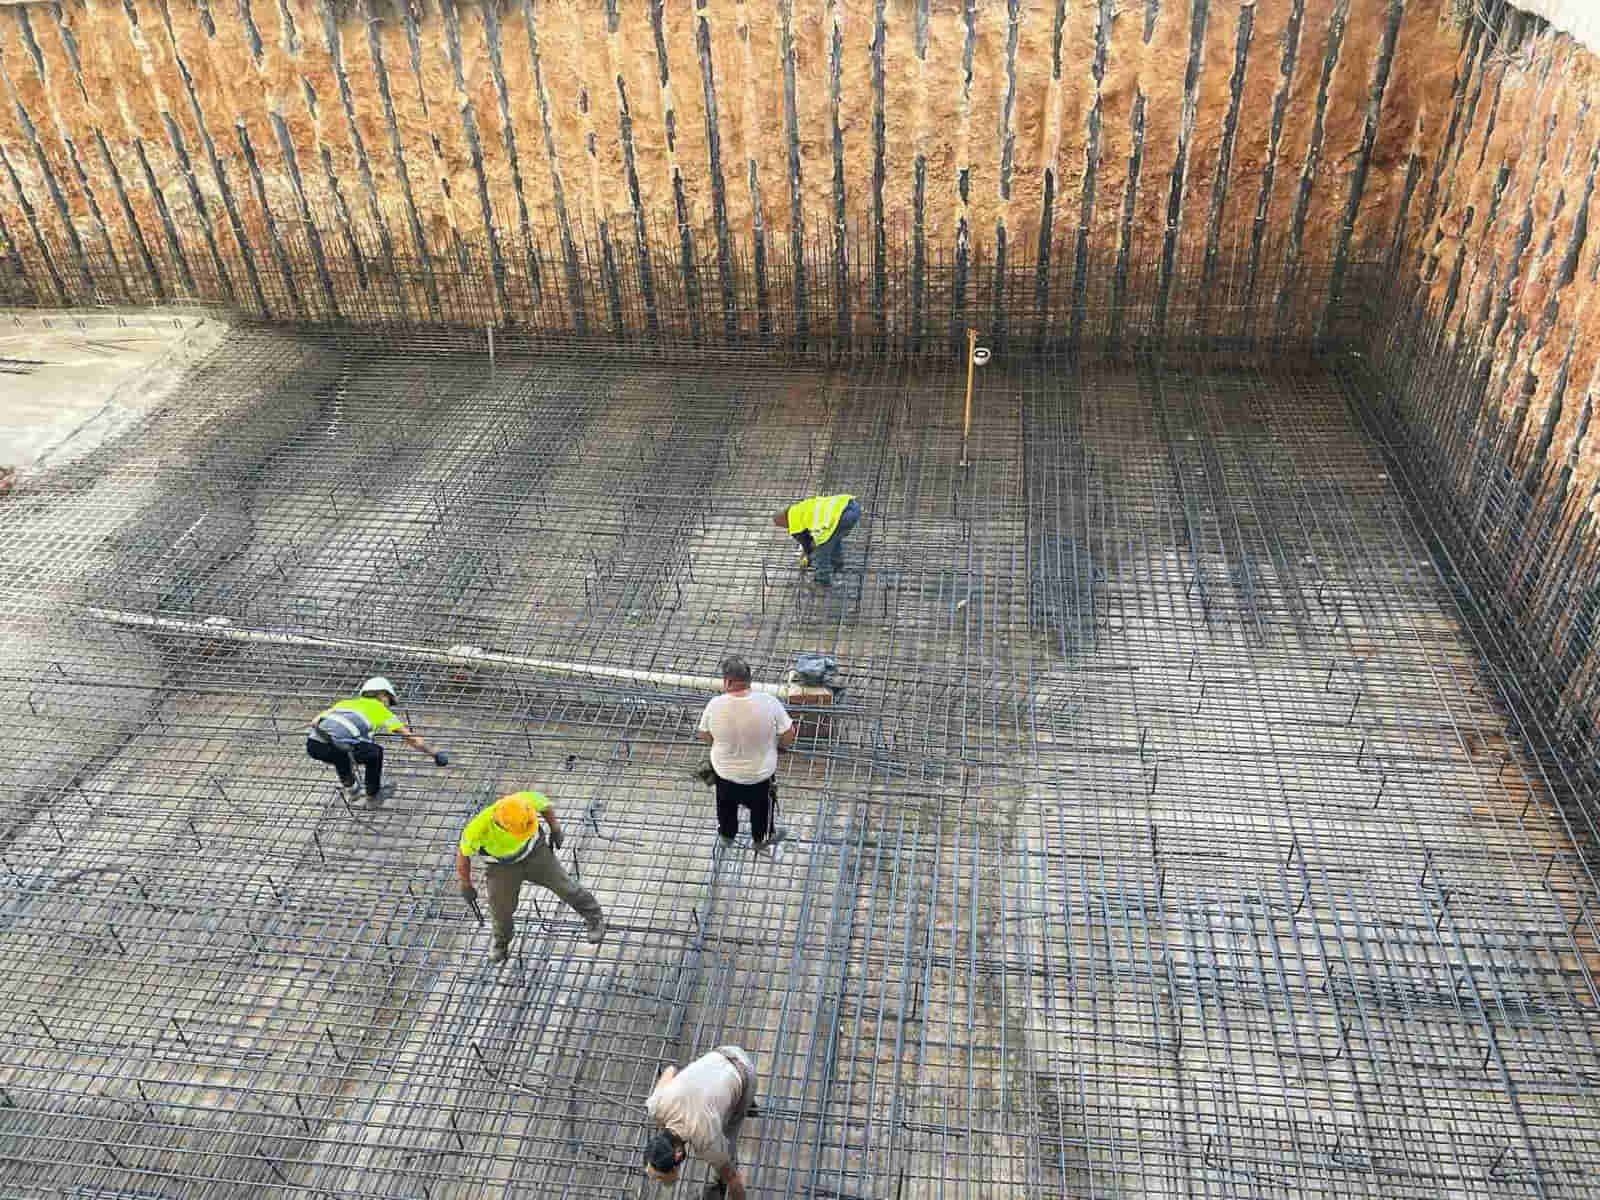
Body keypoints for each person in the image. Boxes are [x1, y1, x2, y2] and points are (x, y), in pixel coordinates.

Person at [456, 790, 606, 962]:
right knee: (500, 910)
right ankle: (501, 942)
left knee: (566, 887)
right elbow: (463, 855)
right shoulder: (478, 827)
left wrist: (555, 829)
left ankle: (594, 918)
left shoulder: (523, 801)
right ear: (502, 825)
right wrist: (465, 884)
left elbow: (545, 806)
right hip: (501, 867)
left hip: (535, 853)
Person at [697, 655, 795, 853]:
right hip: (760, 777)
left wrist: (720, 745)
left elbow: (704, 734)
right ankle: (761, 840)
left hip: (725, 776)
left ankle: (727, 836)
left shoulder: (714, 705)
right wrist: (779, 747)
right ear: (749, 680)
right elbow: (789, 733)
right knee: (761, 811)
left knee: (725, 808)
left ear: (728, 681)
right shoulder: (769, 702)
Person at [306, 676, 447, 807]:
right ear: (382, 695)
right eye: (389, 701)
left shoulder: (344, 703)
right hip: (336, 746)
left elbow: (314, 722)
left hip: (313, 744)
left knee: (340, 749)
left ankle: (352, 788)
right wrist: (434, 754)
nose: (388, 705)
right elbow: (411, 739)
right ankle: (373, 796)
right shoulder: (383, 712)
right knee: (374, 752)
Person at [643, 1045, 758, 1199]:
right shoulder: (655, 1105)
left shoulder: (707, 1142)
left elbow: (734, 1179)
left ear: (678, 1155)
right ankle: (736, 1097)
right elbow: (670, 1070)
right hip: (723, 1052)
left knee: (727, 1135)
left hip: (746, 1074)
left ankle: (745, 1101)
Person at [773, 493, 861, 587]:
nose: (784, 528)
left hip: (842, 517)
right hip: (850, 505)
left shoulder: (794, 522)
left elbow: (808, 545)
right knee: (832, 538)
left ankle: (823, 579)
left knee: (822, 549)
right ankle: (837, 565)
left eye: (781, 525)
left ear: (783, 520)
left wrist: (807, 559)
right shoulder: (798, 508)